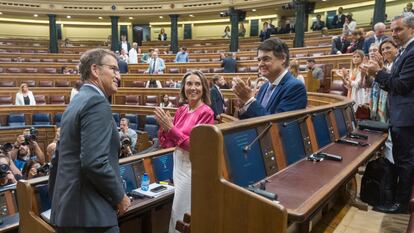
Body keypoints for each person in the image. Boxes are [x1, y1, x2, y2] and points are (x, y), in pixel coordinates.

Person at [49, 48, 131, 233]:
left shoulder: (76, 102)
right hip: (92, 217)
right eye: (114, 69)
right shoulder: (97, 102)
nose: (119, 75)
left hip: (70, 211)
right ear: (95, 70)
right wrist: (120, 197)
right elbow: (95, 162)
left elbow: (58, 159)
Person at [365, 15, 414, 214]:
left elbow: (402, 86)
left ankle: (401, 203)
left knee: (405, 160)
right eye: (392, 30)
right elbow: (393, 84)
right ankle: (397, 198)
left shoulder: (412, 53)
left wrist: (378, 72)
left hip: (407, 117)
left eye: (398, 29)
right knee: (402, 158)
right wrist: (380, 72)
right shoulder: (405, 51)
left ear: (412, 29)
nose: (393, 34)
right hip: (401, 114)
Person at [154, 70, 214, 233]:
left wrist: (171, 128)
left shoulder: (206, 112)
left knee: (180, 211)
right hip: (178, 164)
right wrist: (163, 127)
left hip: (192, 167)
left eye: (197, 84)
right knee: (176, 210)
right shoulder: (181, 110)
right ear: (183, 88)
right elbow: (167, 144)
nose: (193, 88)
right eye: (189, 84)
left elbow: (197, 147)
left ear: (203, 88)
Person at [232, 38, 307, 119]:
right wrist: (244, 104)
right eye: (259, 60)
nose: (260, 64)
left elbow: (277, 127)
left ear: (282, 58)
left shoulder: (295, 87)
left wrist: (249, 100)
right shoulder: (264, 87)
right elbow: (253, 120)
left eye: (266, 59)